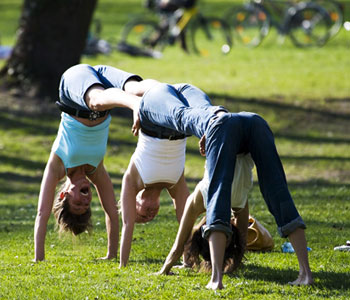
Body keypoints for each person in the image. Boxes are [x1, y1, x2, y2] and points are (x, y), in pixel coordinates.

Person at [131, 83, 313, 289]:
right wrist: (171, 262)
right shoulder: (208, 201)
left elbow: (239, 239)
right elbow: (233, 237)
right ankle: (305, 273)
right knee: (279, 195)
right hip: (242, 123)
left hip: (240, 124)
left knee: (263, 193)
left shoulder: (239, 204)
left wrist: (170, 265)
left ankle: (217, 279)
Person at [34, 64, 143, 261]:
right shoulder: (96, 171)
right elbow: (111, 212)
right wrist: (111, 254)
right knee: (138, 88)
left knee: (96, 101)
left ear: (64, 194)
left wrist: (39, 258)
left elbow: (42, 213)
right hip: (101, 87)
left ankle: (136, 104)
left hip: (76, 86)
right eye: (86, 205)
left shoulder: (58, 166)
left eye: (77, 203)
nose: (85, 200)